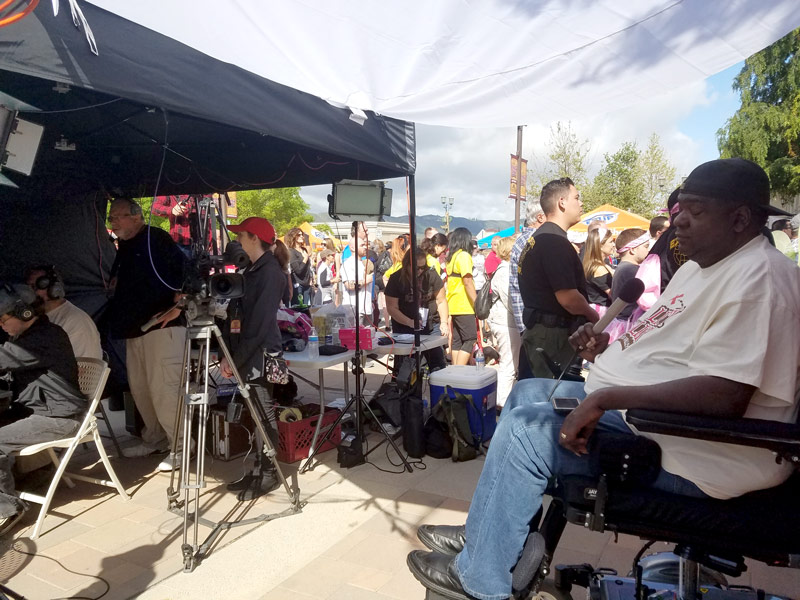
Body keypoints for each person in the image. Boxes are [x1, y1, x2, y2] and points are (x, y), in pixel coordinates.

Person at [407, 157, 800, 600]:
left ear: (741, 218)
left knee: (523, 433)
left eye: (696, 210)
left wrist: (605, 397)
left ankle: (482, 580)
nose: (680, 222)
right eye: (678, 210)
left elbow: (723, 395)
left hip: (701, 454)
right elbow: (668, 350)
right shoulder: (700, 268)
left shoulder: (760, 280)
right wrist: (609, 348)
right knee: (528, 393)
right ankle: (486, 541)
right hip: (650, 420)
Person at [105, 198, 186, 469]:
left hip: (161, 327)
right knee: (141, 390)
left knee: (164, 389)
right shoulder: (125, 245)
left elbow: (187, 273)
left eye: (118, 216)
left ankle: (182, 446)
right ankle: (155, 439)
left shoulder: (156, 239)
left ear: (136, 216)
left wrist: (180, 305)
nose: (113, 222)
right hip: (134, 329)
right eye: (111, 218)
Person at [0, 284, 86, 528]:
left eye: (3, 319)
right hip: (40, 411)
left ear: (24, 313)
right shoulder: (31, 335)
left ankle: (6, 510)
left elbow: (3, 358)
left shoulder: (42, 338)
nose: (1, 324)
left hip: (59, 418)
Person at [220, 217, 288, 499]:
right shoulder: (253, 268)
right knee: (257, 413)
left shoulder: (270, 272)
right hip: (249, 352)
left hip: (259, 354)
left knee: (264, 414)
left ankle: (270, 472)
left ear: (254, 238)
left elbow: (259, 323)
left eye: (241, 236)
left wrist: (234, 358)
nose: (237, 240)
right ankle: (259, 468)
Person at [518, 178, 598, 378]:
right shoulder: (554, 241)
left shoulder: (539, 238)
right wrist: (593, 315)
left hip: (542, 332)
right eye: (577, 198)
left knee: (538, 394)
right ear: (562, 202)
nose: (581, 204)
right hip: (551, 336)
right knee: (550, 399)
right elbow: (568, 298)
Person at [384, 247, 449, 372]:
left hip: (430, 325)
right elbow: (392, 308)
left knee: (437, 364)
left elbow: (441, 300)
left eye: (422, 267)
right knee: (406, 369)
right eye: (416, 268)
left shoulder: (431, 274)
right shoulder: (396, 279)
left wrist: (444, 322)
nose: (420, 271)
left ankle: (438, 389)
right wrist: (409, 322)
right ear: (407, 265)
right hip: (404, 327)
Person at [24, 265, 102, 360]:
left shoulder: (73, 320)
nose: (30, 293)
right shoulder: (45, 316)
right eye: (29, 288)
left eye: (35, 287)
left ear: (53, 289)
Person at [485, 237, 519, 409]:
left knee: (510, 362)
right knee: (509, 364)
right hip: (506, 322)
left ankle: (503, 400)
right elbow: (511, 301)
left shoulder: (504, 269)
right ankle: (502, 402)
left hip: (504, 321)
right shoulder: (505, 271)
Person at [604, 227, 650, 341]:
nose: (648, 250)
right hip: (628, 323)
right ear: (633, 250)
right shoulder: (632, 270)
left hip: (621, 321)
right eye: (646, 246)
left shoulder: (622, 267)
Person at [509, 199, 546, 335]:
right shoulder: (535, 240)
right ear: (540, 217)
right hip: (536, 323)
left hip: (528, 321)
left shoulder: (523, 239)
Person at [445, 228, 478, 366]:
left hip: (453, 303)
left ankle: (454, 368)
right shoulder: (464, 256)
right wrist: (477, 303)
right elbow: (467, 281)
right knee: (470, 339)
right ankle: (459, 369)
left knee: (457, 340)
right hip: (464, 304)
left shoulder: (451, 257)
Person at [340, 221, 375, 321]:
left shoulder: (364, 262)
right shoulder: (348, 263)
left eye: (365, 245)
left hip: (367, 310)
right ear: (352, 247)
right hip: (355, 311)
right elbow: (349, 285)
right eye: (362, 245)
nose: (365, 247)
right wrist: (365, 281)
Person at [582, 227, 616, 314]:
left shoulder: (594, 264)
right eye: (611, 242)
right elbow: (613, 294)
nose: (613, 245)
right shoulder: (598, 268)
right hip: (602, 311)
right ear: (600, 245)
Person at [284, 227, 313, 306]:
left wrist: (310, 279)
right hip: (298, 285)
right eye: (299, 235)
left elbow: (308, 266)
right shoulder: (291, 251)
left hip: (307, 285)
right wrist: (305, 259)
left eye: (302, 235)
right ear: (293, 236)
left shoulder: (304, 250)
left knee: (308, 310)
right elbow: (298, 270)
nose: (301, 236)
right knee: (298, 310)